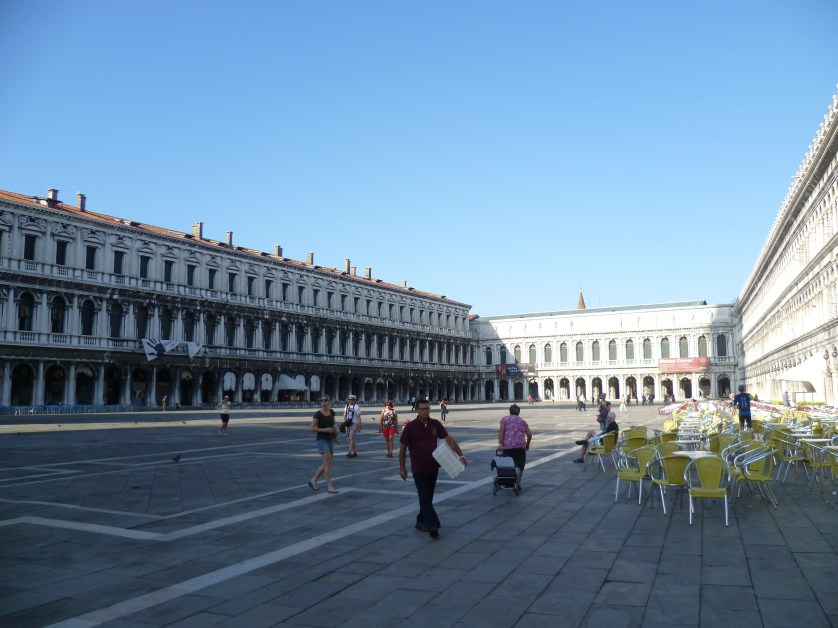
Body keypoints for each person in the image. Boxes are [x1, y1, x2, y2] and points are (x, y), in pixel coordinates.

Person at [399, 399, 467, 539]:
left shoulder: (435, 424)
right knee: (424, 497)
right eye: (422, 409)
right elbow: (402, 448)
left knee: (428, 497)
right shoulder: (410, 427)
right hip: (418, 468)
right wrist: (402, 468)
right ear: (417, 410)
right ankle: (432, 526)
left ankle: (420, 520)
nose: (425, 411)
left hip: (433, 467)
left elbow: (449, 440)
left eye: (427, 408)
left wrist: (461, 455)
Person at [497, 404, 532, 492]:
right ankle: (517, 484)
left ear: (509, 411)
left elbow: (501, 432)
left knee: (508, 464)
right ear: (519, 412)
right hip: (520, 446)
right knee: (520, 466)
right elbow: (529, 434)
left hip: (507, 446)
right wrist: (527, 444)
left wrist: (500, 443)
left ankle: (508, 481)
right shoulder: (522, 421)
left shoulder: (504, 419)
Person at [308, 396, 338, 493]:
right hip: (321, 440)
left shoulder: (332, 412)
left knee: (328, 463)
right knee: (328, 463)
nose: (323, 402)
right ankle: (330, 486)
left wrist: (335, 430)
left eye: (325, 400)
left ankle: (313, 480)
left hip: (330, 439)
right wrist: (325, 430)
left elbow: (334, 424)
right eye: (322, 400)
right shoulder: (318, 414)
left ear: (329, 402)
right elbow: (312, 428)